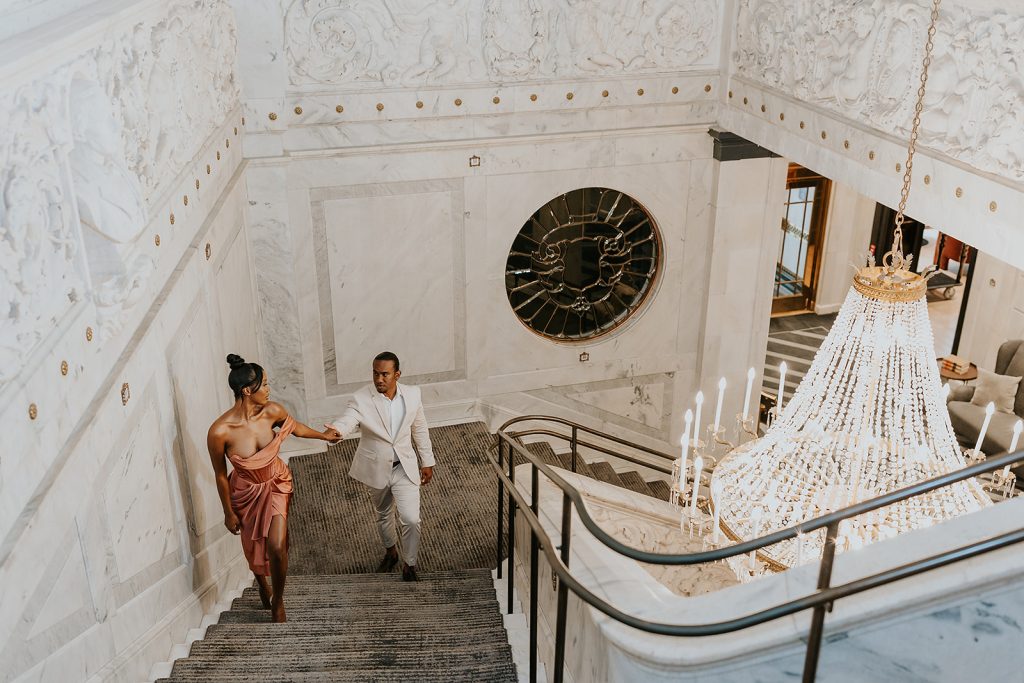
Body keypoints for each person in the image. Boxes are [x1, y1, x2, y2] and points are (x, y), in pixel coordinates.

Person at [207, 354, 341, 622]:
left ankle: (278, 600)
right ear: (247, 390)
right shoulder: (219, 432)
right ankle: (262, 584)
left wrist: (323, 435)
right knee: (253, 544)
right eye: (265, 384)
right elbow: (220, 475)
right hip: (245, 492)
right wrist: (228, 512)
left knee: (277, 546)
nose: (269, 389)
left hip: (277, 483)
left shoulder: (272, 411)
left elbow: (296, 428)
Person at [330, 351, 435, 581]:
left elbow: (419, 428)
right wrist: (337, 431)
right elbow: (348, 419)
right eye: (375, 373)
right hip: (376, 468)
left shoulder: (413, 394)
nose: (379, 379)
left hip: (404, 467)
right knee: (383, 513)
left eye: (385, 374)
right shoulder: (361, 398)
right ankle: (391, 552)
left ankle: (410, 564)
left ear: (397, 374)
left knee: (411, 519)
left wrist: (427, 461)